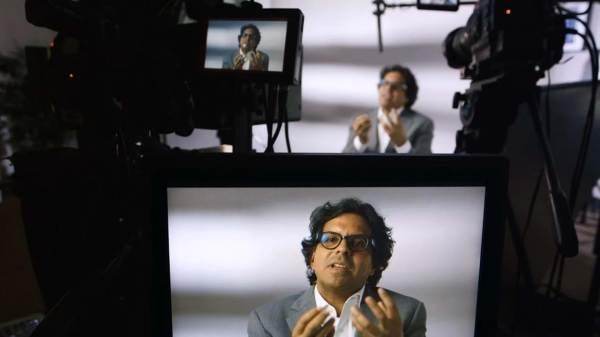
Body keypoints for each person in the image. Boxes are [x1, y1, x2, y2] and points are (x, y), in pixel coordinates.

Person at [247, 198, 426, 337]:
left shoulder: (407, 312)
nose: (343, 249)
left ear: (374, 264)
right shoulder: (266, 320)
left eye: (358, 243)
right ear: (312, 258)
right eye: (331, 239)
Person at [343, 65, 434, 154]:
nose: (388, 89)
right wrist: (360, 142)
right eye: (384, 83)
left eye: (396, 86)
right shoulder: (360, 121)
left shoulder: (422, 124)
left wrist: (402, 144)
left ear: (408, 96)